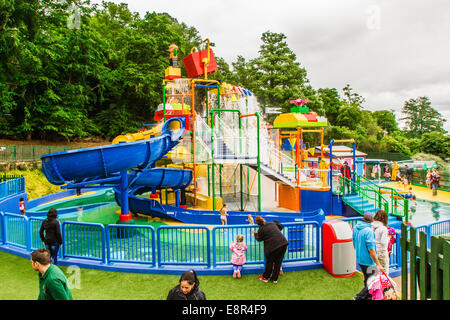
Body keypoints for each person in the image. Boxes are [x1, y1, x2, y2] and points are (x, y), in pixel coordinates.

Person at [352, 212, 385, 300]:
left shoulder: (355, 228)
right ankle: (358, 296)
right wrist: (378, 263)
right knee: (372, 281)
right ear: (371, 220)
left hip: (359, 258)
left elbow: (354, 243)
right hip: (369, 261)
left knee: (367, 278)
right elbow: (371, 249)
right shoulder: (368, 231)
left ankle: (369, 297)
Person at [253, 217, 289, 284]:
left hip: (273, 247)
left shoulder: (261, 229)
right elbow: (281, 226)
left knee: (269, 262)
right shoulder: (272, 223)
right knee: (278, 262)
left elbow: (259, 239)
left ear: (257, 223)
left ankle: (265, 277)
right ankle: (274, 279)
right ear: (263, 219)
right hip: (283, 243)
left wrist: (255, 234)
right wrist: (276, 221)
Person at [372, 210, 390, 276]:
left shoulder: (372, 226)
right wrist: (389, 238)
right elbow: (383, 242)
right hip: (381, 251)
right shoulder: (383, 229)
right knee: (384, 269)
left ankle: (375, 284)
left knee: (375, 269)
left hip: (374, 250)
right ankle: (384, 284)